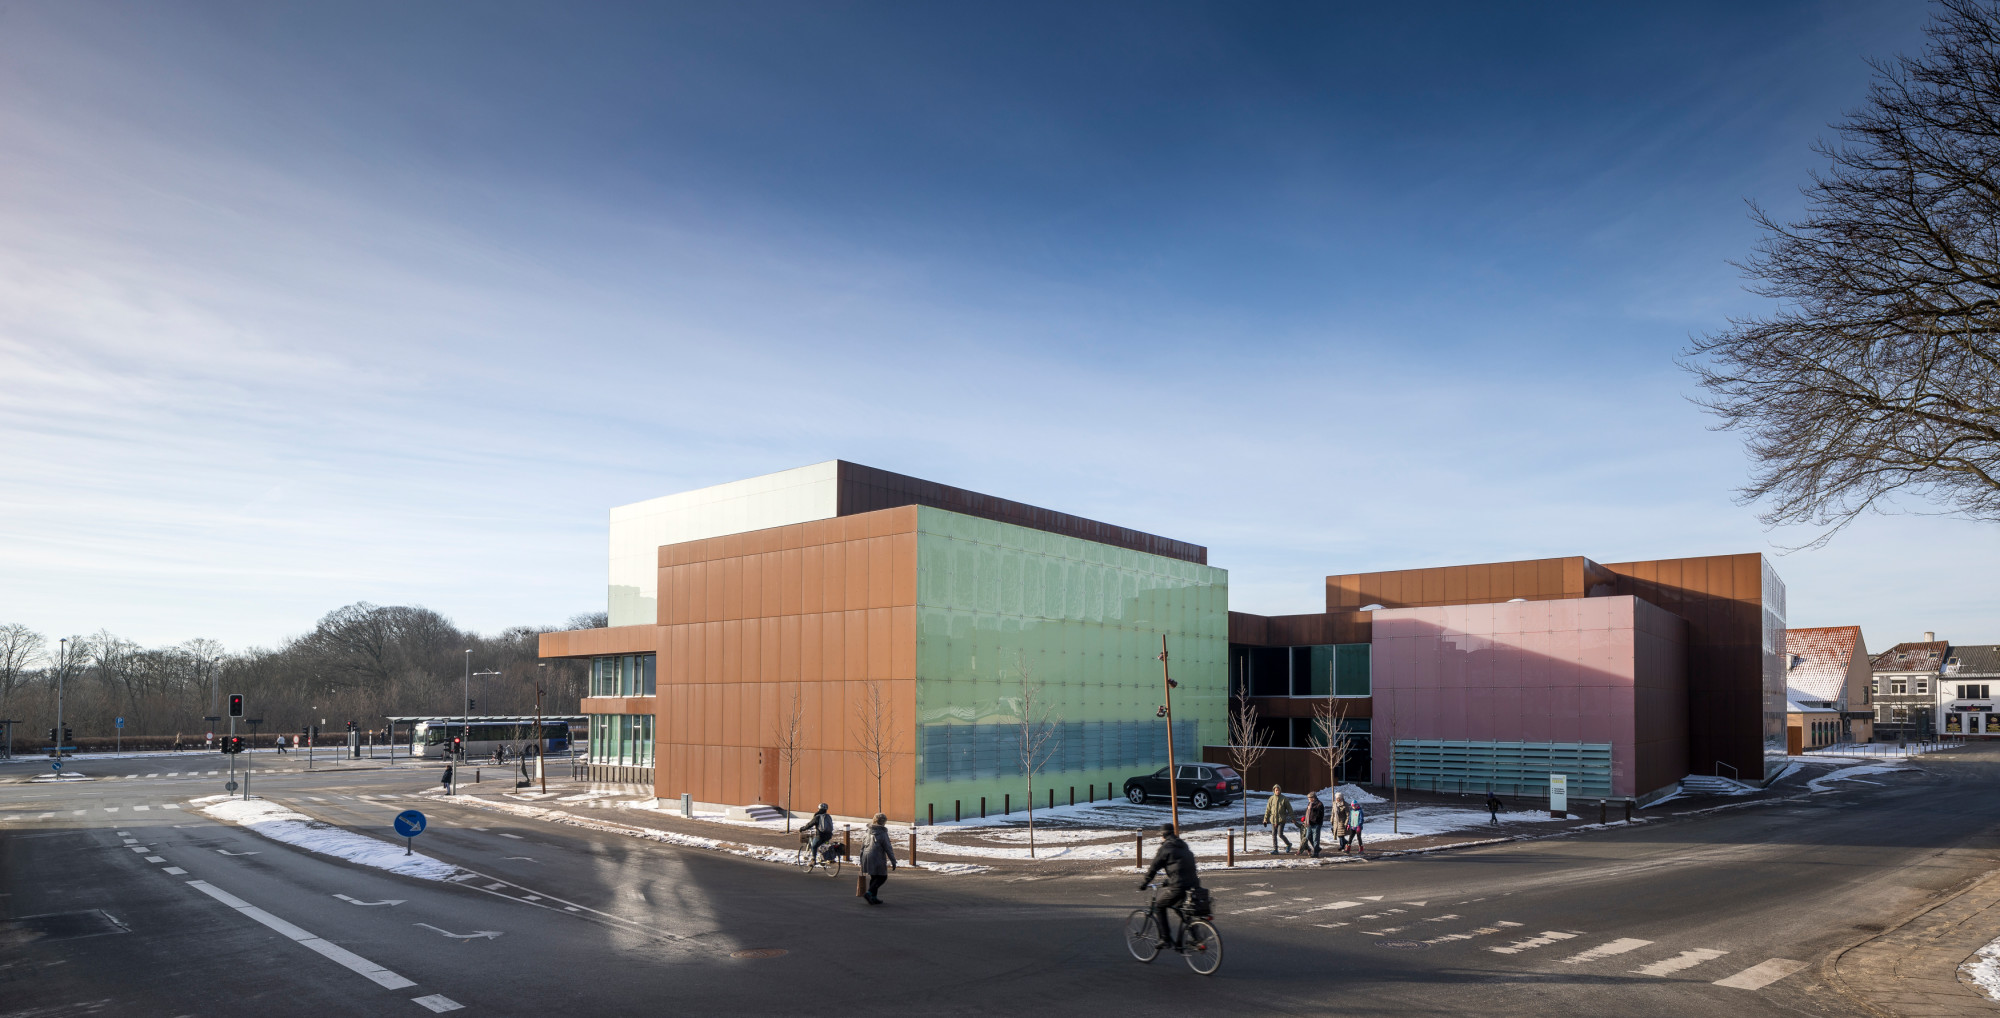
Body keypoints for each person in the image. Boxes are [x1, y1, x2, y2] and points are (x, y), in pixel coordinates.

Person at [1139, 822, 1202, 950]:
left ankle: (1165, 938)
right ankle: (1196, 938)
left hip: (1179, 885)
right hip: (1193, 883)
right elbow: (1181, 867)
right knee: (1181, 907)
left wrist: (1144, 883)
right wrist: (1169, 881)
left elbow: (1153, 868)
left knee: (1159, 906)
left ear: (1163, 835)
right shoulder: (1183, 845)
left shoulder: (1165, 848)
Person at [859, 812, 897, 904]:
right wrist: (893, 860)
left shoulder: (867, 831)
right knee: (882, 877)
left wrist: (861, 859)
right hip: (877, 856)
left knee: (874, 876)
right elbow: (888, 848)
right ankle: (869, 893)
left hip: (866, 856)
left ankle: (873, 897)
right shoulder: (882, 833)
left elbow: (862, 846)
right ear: (883, 822)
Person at [1263, 785, 1294, 854]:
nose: (1277, 791)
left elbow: (1290, 809)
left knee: (1280, 834)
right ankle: (1275, 849)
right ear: (1274, 791)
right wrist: (1265, 819)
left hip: (1281, 820)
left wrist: (1293, 818)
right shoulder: (1271, 798)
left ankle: (1288, 844)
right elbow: (1268, 810)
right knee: (1274, 834)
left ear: (1280, 790)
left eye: (1278, 790)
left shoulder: (1284, 799)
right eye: (1276, 790)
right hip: (1273, 820)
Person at [1302, 792, 1325, 858]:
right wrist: (1305, 819)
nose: (1308, 799)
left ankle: (1316, 853)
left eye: (1309, 798)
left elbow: (1319, 815)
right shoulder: (1310, 803)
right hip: (1309, 823)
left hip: (1316, 824)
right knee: (1308, 836)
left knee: (1316, 839)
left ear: (1313, 798)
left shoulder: (1319, 804)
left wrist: (1312, 809)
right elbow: (1308, 813)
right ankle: (1317, 848)